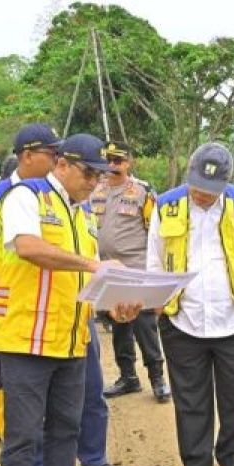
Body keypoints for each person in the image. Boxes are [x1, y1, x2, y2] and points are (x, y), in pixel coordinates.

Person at [0, 133, 138, 466]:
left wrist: (115, 307)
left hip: (71, 339)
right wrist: (95, 264)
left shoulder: (81, 215)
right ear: (62, 164)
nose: (95, 182)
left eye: (101, 175)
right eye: (89, 173)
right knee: (21, 438)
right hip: (26, 340)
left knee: (65, 428)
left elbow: (83, 283)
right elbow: (28, 248)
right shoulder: (27, 196)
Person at [147, 143, 234, 466]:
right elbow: (154, 257)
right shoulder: (166, 204)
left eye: (211, 191)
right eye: (198, 187)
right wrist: (157, 301)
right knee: (190, 398)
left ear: (228, 182)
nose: (203, 196)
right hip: (183, 320)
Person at [0, 127, 61, 459]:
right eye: (52, 153)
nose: (58, 160)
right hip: (6, 305)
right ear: (28, 156)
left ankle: (8, 427)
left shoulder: (57, 197)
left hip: (49, 308)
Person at [92, 141, 169, 403]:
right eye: (109, 160)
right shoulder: (94, 190)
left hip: (136, 269)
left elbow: (157, 232)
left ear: (128, 163)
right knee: (119, 326)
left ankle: (158, 379)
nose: (112, 166)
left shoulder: (142, 192)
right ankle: (128, 378)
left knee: (145, 326)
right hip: (107, 272)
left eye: (118, 161)